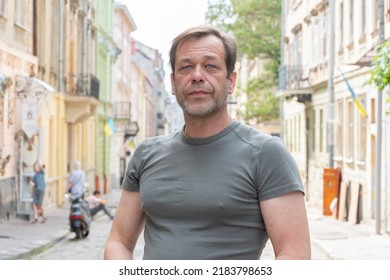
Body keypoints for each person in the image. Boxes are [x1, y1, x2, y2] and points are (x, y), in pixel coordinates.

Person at [104, 25, 311, 260]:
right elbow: (118, 240)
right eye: (186, 67)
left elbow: (295, 256)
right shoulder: (146, 154)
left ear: (231, 81)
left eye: (211, 66)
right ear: (173, 83)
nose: (197, 75)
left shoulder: (266, 154)